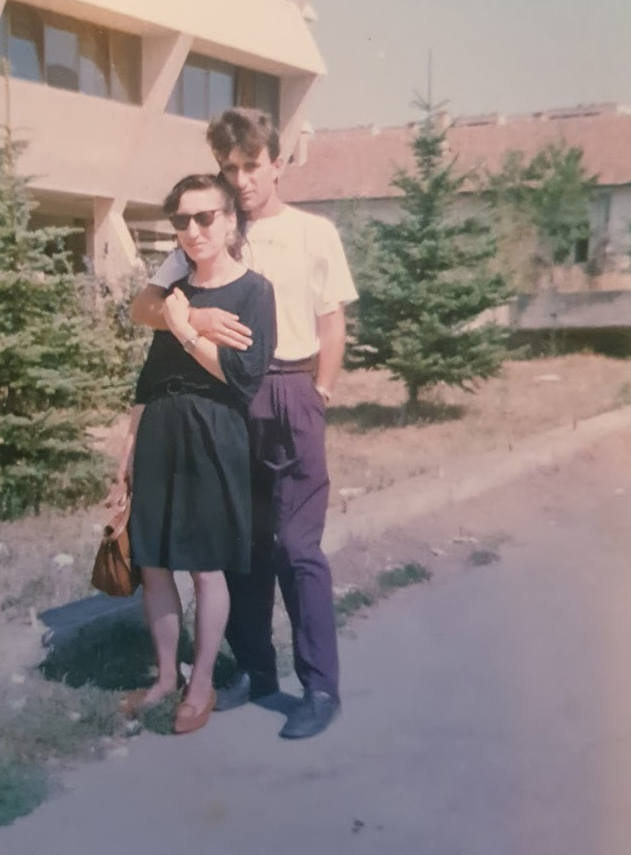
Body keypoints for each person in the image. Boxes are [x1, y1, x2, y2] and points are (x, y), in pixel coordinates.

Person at [131, 108, 357, 740]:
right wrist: (193, 318)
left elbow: (332, 319)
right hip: (226, 403)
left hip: (289, 389)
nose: (241, 179)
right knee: (240, 547)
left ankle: (318, 686)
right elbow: (146, 305)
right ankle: (255, 671)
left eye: (251, 166)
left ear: (277, 164)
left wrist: (321, 392)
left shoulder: (314, 233)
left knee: (297, 546)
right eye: (229, 168)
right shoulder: (213, 229)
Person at [109, 173, 276, 735]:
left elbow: (241, 377)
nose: (193, 230)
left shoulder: (254, 291)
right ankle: (163, 676)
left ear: (230, 222)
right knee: (153, 561)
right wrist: (127, 452)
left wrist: (185, 330)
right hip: (160, 425)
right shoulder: (173, 291)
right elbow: (149, 376)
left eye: (205, 217)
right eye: (182, 220)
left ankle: (200, 682)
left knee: (206, 566)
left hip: (213, 429)